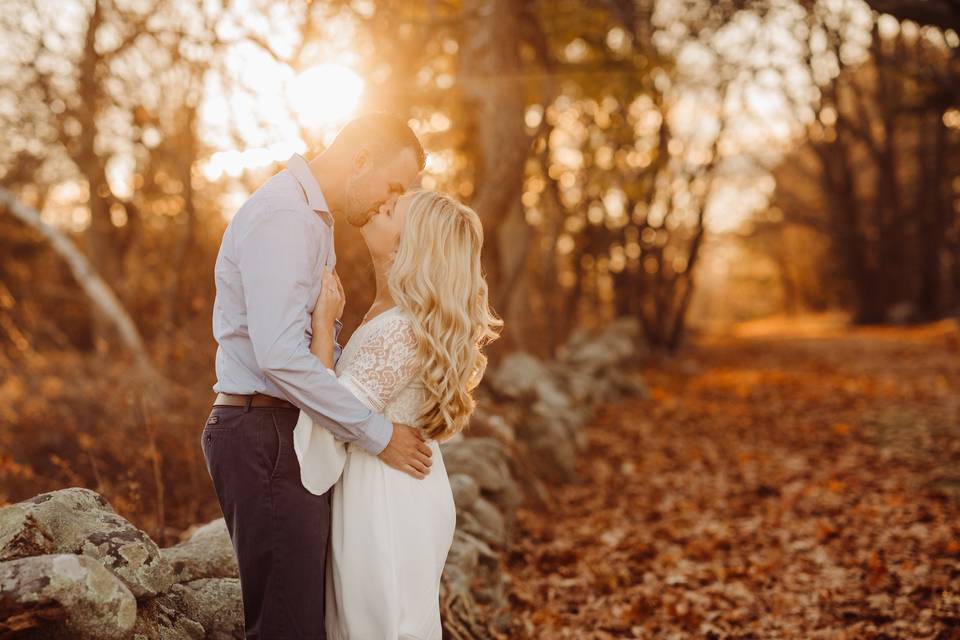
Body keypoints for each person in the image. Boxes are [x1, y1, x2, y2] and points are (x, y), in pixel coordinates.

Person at [200, 113, 433, 639]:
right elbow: (280, 355)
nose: (387, 202)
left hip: (284, 431)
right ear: (360, 159)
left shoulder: (312, 218)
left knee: (303, 620)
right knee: (288, 627)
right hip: (264, 434)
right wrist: (378, 435)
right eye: (392, 186)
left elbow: (305, 349)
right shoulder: (285, 216)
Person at [299, 189, 501, 639]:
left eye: (395, 210)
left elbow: (330, 416)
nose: (382, 203)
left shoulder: (401, 328)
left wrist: (321, 331)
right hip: (392, 485)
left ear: (412, 245)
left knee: (383, 626)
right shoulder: (388, 314)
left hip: (386, 499)